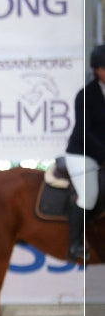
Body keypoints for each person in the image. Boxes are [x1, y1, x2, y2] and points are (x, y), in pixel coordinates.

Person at [65, 44, 105, 261]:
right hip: (82, 153)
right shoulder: (86, 95)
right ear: (97, 70)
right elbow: (85, 132)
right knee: (88, 196)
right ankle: (75, 245)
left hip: (101, 154)